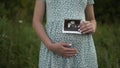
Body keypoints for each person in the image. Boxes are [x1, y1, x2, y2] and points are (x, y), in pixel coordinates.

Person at [32, 0, 98, 68]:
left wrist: (92, 26)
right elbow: (36, 22)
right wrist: (50, 46)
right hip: (53, 51)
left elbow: (92, 19)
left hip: (83, 52)